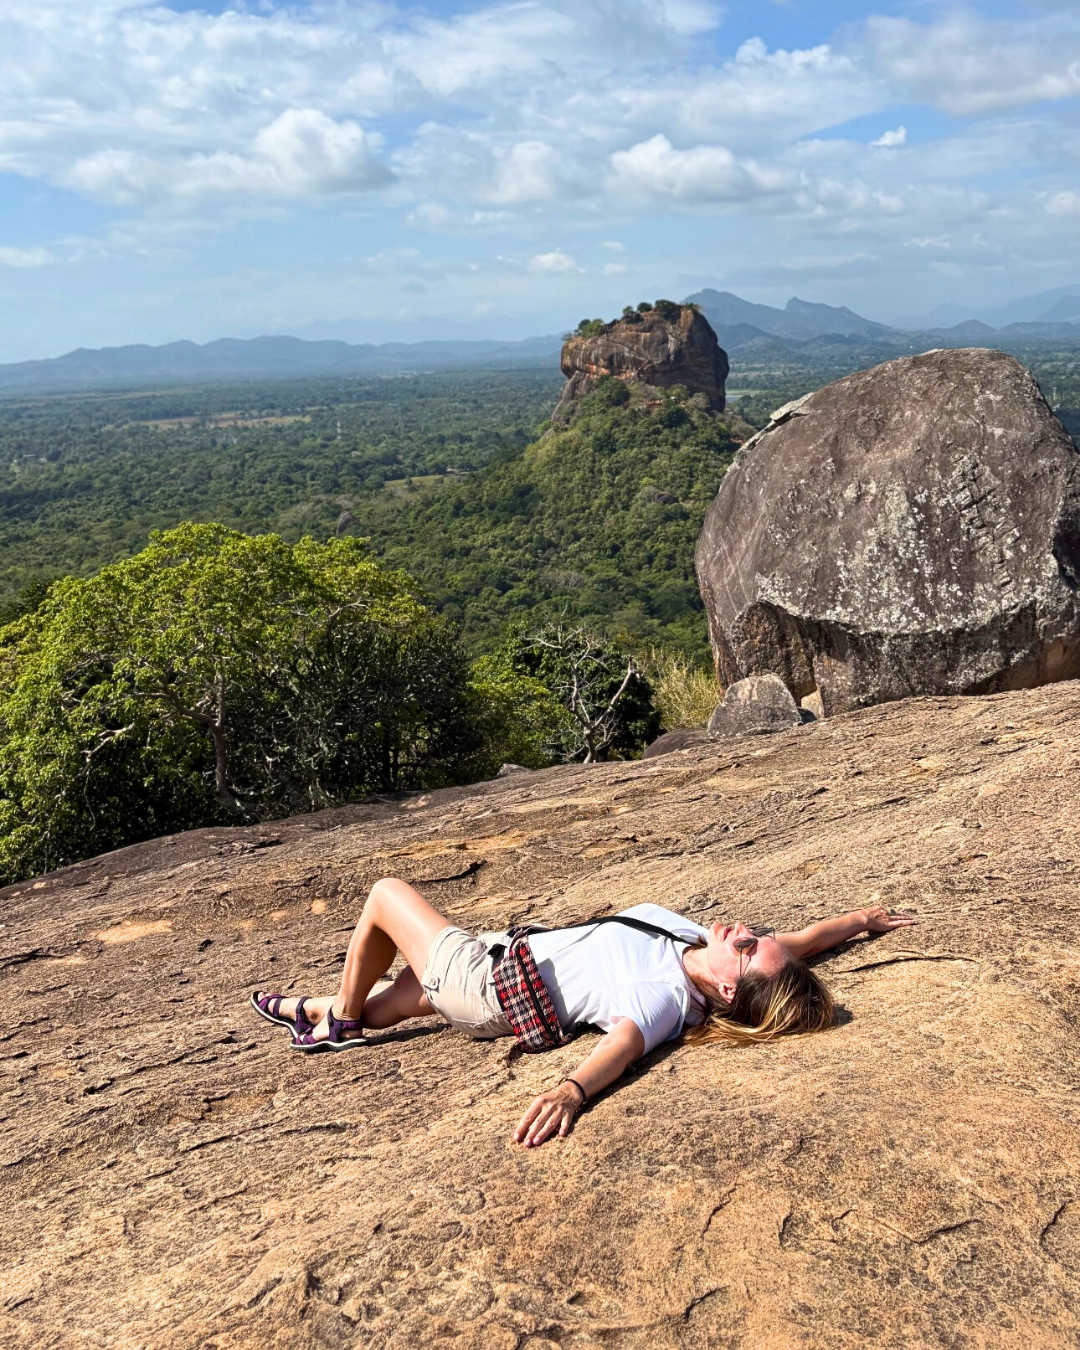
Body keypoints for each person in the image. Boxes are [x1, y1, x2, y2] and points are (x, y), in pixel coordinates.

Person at [251, 877, 916, 1149]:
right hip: (506, 963)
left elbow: (624, 1044)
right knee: (390, 1003)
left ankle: (332, 1019)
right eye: (751, 934)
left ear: (726, 993)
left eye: (743, 946)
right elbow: (798, 945)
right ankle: (318, 1010)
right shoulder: (702, 951)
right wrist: (860, 920)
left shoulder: (663, 998)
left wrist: (570, 1092)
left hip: (485, 985)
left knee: (387, 896)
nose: (742, 930)